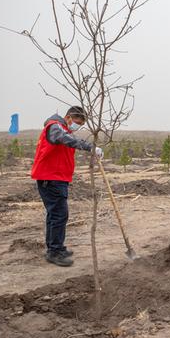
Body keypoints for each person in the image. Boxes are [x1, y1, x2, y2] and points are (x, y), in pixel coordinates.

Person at [31, 106, 103, 267]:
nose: (76, 127)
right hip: (51, 178)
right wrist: (90, 148)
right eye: (77, 123)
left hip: (56, 178)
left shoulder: (62, 128)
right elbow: (66, 139)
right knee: (59, 214)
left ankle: (56, 248)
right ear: (69, 117)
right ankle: (55, 252)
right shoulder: (55, 126)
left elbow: (67, 141)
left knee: (54, 214)